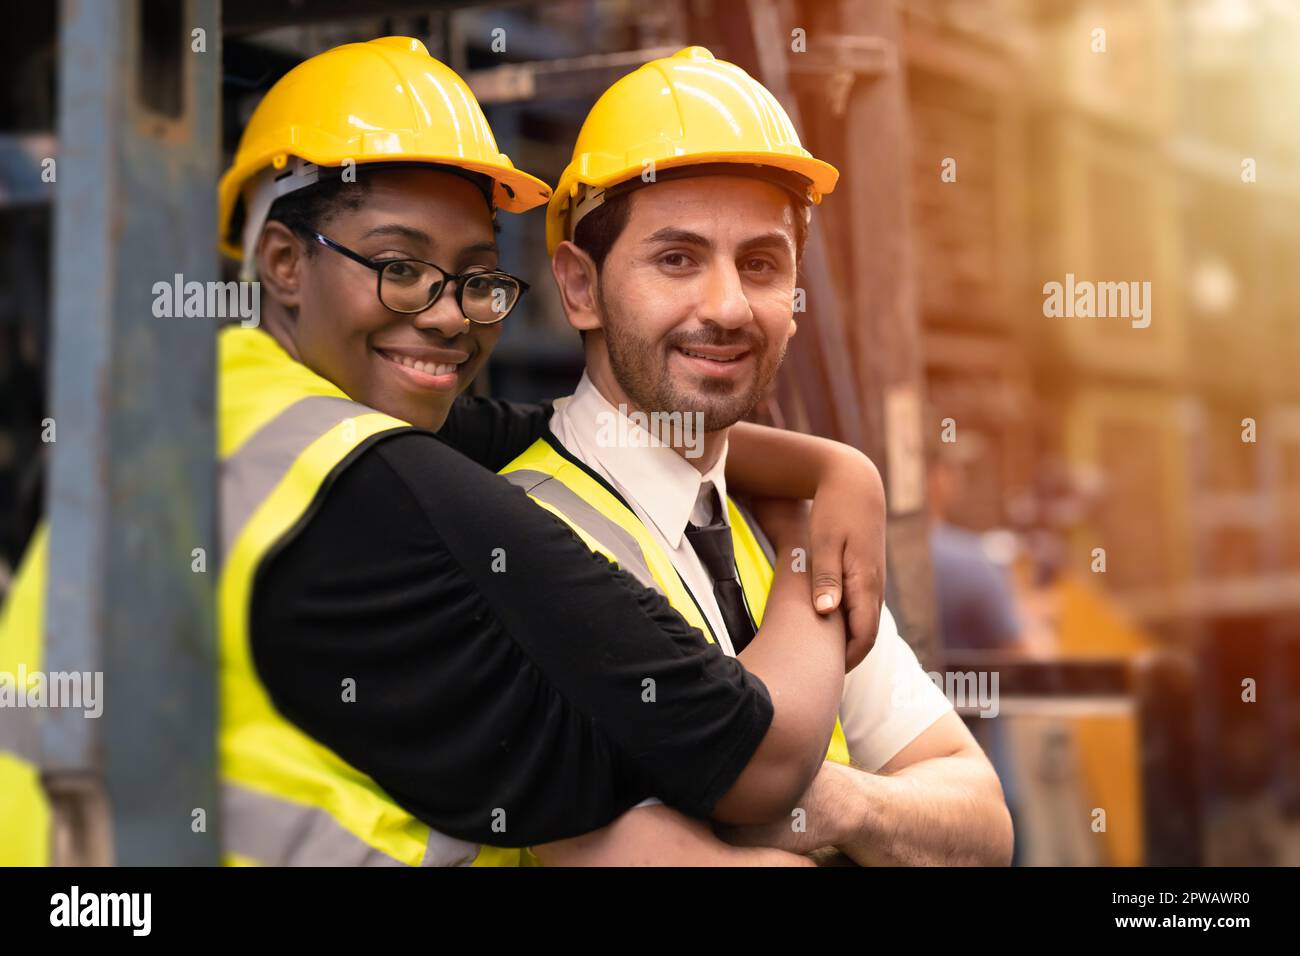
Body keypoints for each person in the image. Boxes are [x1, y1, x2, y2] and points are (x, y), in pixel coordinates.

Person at [0, 37, 886, 866]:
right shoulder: (380, 485)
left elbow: (556, 427)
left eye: (474, 277)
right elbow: (759, 758)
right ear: (281, 260)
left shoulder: (223, 404)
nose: (447, 312)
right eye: (399, 265)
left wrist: (833, 469)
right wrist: (810, 549)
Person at [499, 48, 1013, 865]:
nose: (729, 306)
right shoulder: (521, 539)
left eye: (762, 264)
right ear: (580, 287)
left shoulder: (782, 527)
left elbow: (983, 823)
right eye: (677, 259)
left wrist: (839, 803)